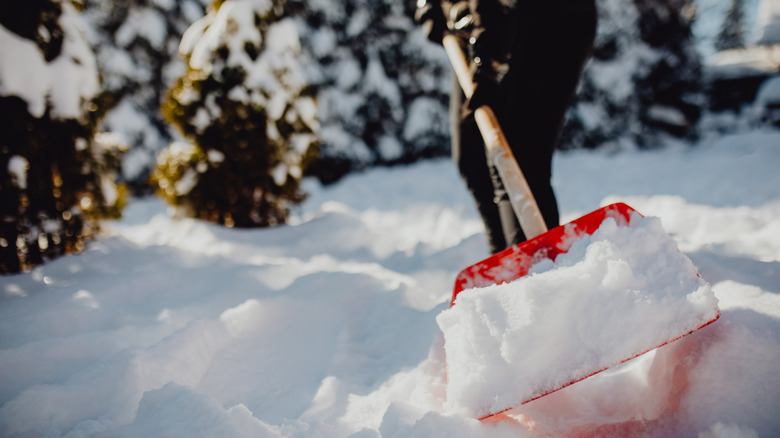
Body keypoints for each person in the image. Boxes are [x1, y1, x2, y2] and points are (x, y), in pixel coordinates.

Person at [415, 0, 598, 254]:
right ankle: (507, 263)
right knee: (473, 158)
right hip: (478, 25)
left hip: (541, 19)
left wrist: (488, 63)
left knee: (520, 160)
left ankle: (538, 266)